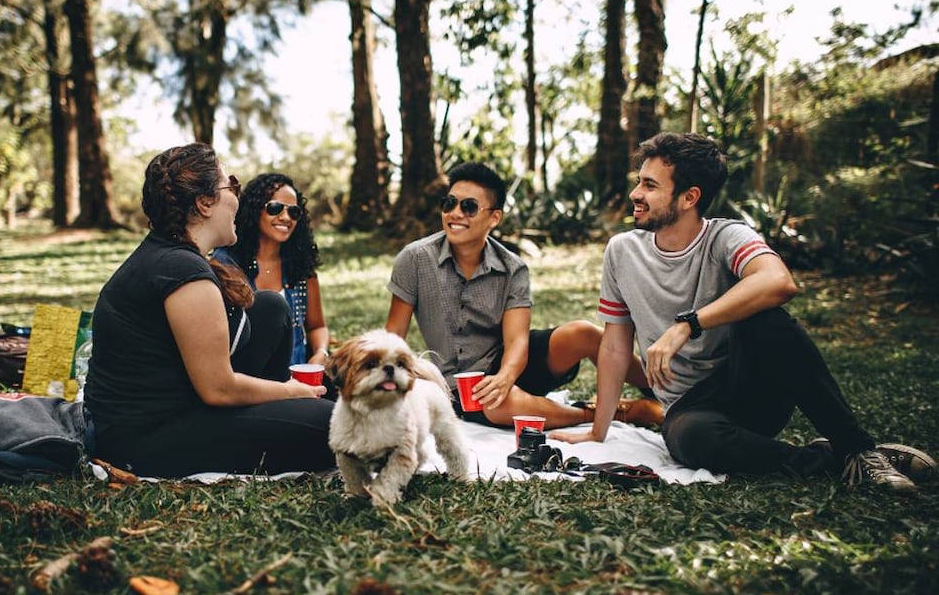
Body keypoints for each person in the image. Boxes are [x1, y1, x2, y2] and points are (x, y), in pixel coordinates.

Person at [550, 131, 935, 492]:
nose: (636, 193)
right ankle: (832, 459)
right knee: (692, 440)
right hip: (689, 408)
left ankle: (857, 449)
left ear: (689, 197)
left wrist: (688, 324)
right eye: (639, 181)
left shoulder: (726, 236)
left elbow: (778, 282)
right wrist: (598, 432)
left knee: (767, 319)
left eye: (650, 185)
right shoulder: (622, 251)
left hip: (751, 387)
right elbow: (616, 347)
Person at [85, 143, 335, 477]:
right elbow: (218, 389)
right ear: (204, 203)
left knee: (270, 308)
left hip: (184, 401)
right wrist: (291, 391)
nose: (237, 196)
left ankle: (284, 411)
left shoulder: (175, 255)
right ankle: (290, 411)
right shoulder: (181, 271)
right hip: (148, 437)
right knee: (335, 426)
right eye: (231, 185)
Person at [385, 161, 662, 430]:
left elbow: (517, 340)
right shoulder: (415, 259)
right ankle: (613, 413)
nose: (455, 213)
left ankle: (663, 393)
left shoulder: (512, 268)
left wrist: (505, 377)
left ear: (494, 217)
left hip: (510, 363)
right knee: (499, 404)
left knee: (584, 333)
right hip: (460, 385)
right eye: (449, 203)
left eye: (468, 207)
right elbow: (393, 335)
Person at [215, 173, 330, 366]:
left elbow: (317, 326)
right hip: (247, 380)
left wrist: (321, 353)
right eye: (275, 208)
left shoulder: (300, 266)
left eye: (294, 212)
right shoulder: (226, 264)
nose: (286, 217)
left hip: (297, 379)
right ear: (254, 210)